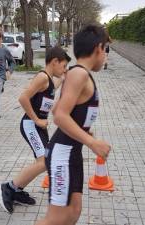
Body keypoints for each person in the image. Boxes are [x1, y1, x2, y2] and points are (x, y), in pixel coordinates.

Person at [35, 24, 111, 225]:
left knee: (74, 212)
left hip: (71, 153)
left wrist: (83, 130)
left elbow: (57, 108)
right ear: (98, 48)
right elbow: (60, 116)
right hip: (62, 154)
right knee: (55, 219)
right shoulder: (80, 74)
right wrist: (92, 143)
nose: (106, 56)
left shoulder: (78, 74)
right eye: (106, 51)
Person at [0, 46, 71, 214]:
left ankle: (16, 191)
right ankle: (9, 188)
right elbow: (23, 98)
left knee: (45, 160)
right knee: (44, 161)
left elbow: (55, 85)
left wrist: (67, 75)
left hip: (39, 127)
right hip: (31, 125)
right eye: (63, 66)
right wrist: (36, 119)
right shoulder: (42, 77)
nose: (64, 69)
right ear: (54, 62)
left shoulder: (50, 80)